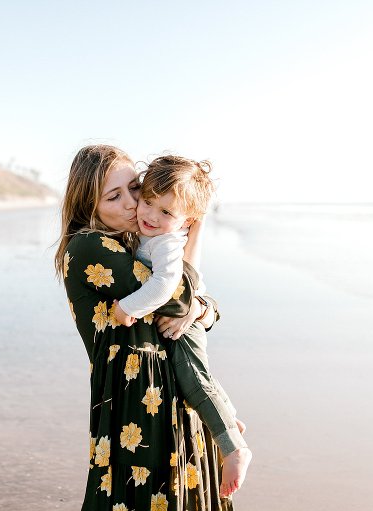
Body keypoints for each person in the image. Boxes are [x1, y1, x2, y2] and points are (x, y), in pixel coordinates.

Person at [56, 145, 233, 510]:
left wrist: (203, 308)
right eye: (113, 196)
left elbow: (199, 305)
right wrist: (194, 235)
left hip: (168, 393)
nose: (132, 204)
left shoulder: (138, 243)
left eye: (135, 188)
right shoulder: (89, 246)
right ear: (87, 204)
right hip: (133, 407)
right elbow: (179, 297)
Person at [112, 155, 252, 497]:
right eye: (147, 202)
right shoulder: (156, 230)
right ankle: (227, 417)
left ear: (185, 220)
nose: (150, 215)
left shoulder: (166, 243)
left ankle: (235, 448)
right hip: (193, 309)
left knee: (190, 373)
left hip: (185, 321)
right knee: (197, 374)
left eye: (165, 212)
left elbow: (165, 285)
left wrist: (127, 307)